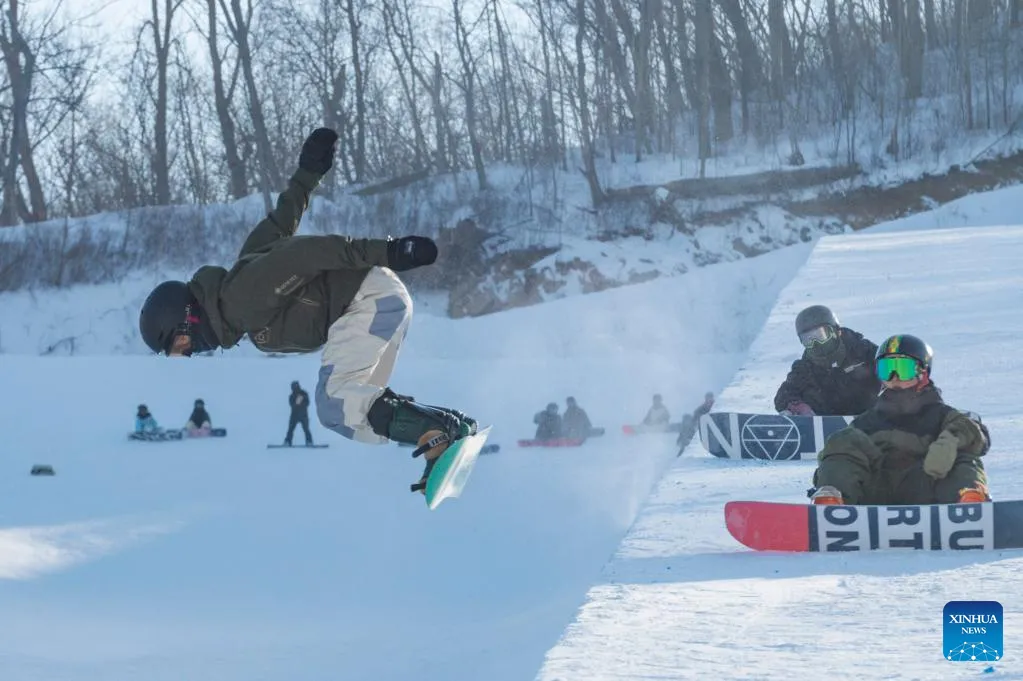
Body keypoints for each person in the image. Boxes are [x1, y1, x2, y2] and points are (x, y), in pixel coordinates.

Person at [137, 127, 476, 493]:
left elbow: (307, 254)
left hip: (366, 300)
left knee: (336, 405)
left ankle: (436, 437)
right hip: (375, 301)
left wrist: (390, 250)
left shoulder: (241, 298)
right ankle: (449, 427)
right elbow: (281, 223)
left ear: (187, 316)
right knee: (356, 410)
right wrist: (309, 173)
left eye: (181, 345)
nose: (191, 351)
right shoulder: (240, 292)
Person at [810, 334, 990, 506]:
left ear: (923, 373)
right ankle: (831, 503)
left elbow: (977, 435)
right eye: (887, 369)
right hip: (876, 497)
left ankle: (969, 502)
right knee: (844, 444)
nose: (894, 377)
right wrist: (834, 462)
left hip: (930, 494)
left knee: (961, 453)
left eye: (903, 369)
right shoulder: (868, 422)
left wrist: (951, 440)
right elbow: (841, 456)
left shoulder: (942, 416)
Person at [773, 305, 881, 417]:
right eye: (808, 339)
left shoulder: (864, 352)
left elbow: (893, 369)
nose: (815, 343)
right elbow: (784, 394)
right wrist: (796, 405)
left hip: (871, 425)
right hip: (825, 430)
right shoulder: (804, 369)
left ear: (836, 331)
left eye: (821, 335)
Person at [285, 380, 314, 446]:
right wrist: (297, 402)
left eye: (295, 386)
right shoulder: (291, 396)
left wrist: (300, 401)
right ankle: (287, 442)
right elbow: (292, 405)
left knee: (306, 429)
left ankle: (309, 442)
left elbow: (307, 403)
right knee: (290, 429)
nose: (294, 388)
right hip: (294, 415)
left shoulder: (304, 394)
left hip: (303, 415)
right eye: (293, 387)